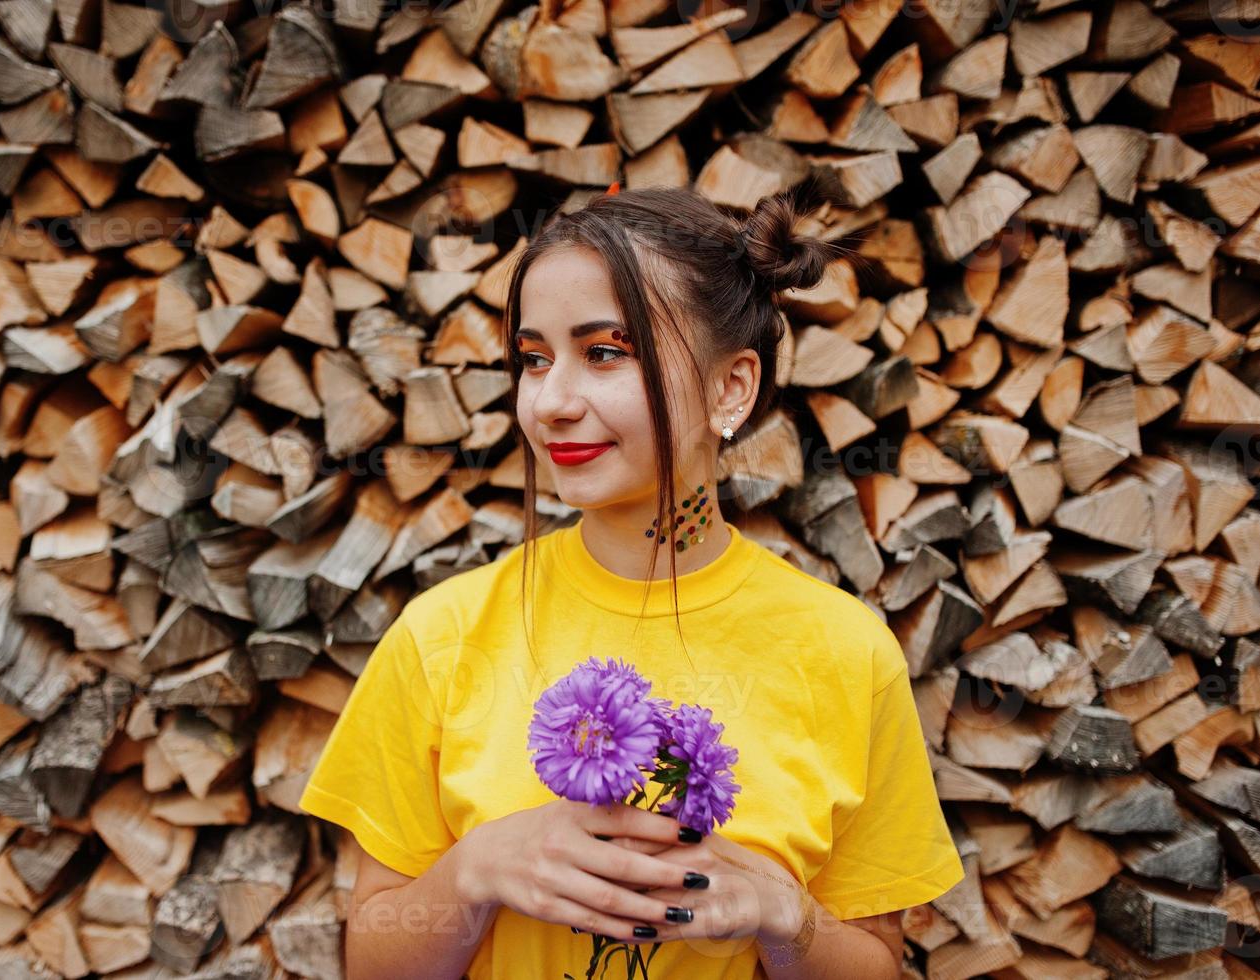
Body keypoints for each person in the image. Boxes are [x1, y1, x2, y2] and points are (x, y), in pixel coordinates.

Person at [297, 186, 964, 980]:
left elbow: (874, 968)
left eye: (606, 352)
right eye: (533, 359)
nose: (550, 402)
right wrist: (477, 870)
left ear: (731, 389)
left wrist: (787, 919)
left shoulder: (846, 653)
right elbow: (374, 966)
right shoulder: (441, 636)